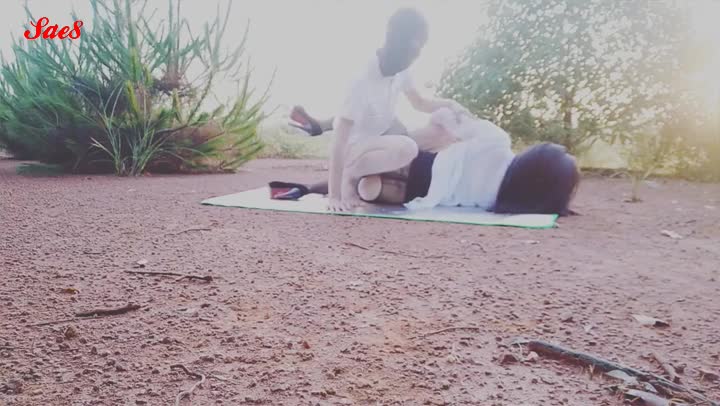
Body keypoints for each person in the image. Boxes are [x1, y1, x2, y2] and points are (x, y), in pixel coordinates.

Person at [303, 7, 471, 212]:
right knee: (407, 148)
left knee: (442, 127)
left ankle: (370, 176)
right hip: (354, 149)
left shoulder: (402, 70)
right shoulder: (362, 79)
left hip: (378, 140)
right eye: (414, 50)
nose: (416, 56)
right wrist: (334, 196)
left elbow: (419, 103)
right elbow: (339, 140)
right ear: (399, 44)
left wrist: (451, 104)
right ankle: (351, 177)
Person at [272, 107, 581, 216]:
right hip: (409, 195)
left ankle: (322, 132)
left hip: (415, 163)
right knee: (371, 183)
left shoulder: (497, 141)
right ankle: (317, 187)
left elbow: (448, 119)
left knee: (386, 121)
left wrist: (447, 116)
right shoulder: (502, 202)